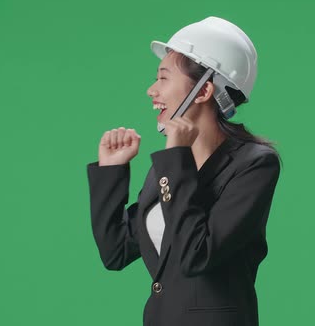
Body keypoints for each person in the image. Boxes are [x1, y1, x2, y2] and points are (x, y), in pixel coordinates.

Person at [86, 16, 281, 326]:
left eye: (163, 78)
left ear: (203, 91)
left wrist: (176, 159)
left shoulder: (254, 164)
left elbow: (196, 254)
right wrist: (112, 171)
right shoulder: (167, 168)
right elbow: (116, 251)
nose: (151, 90)